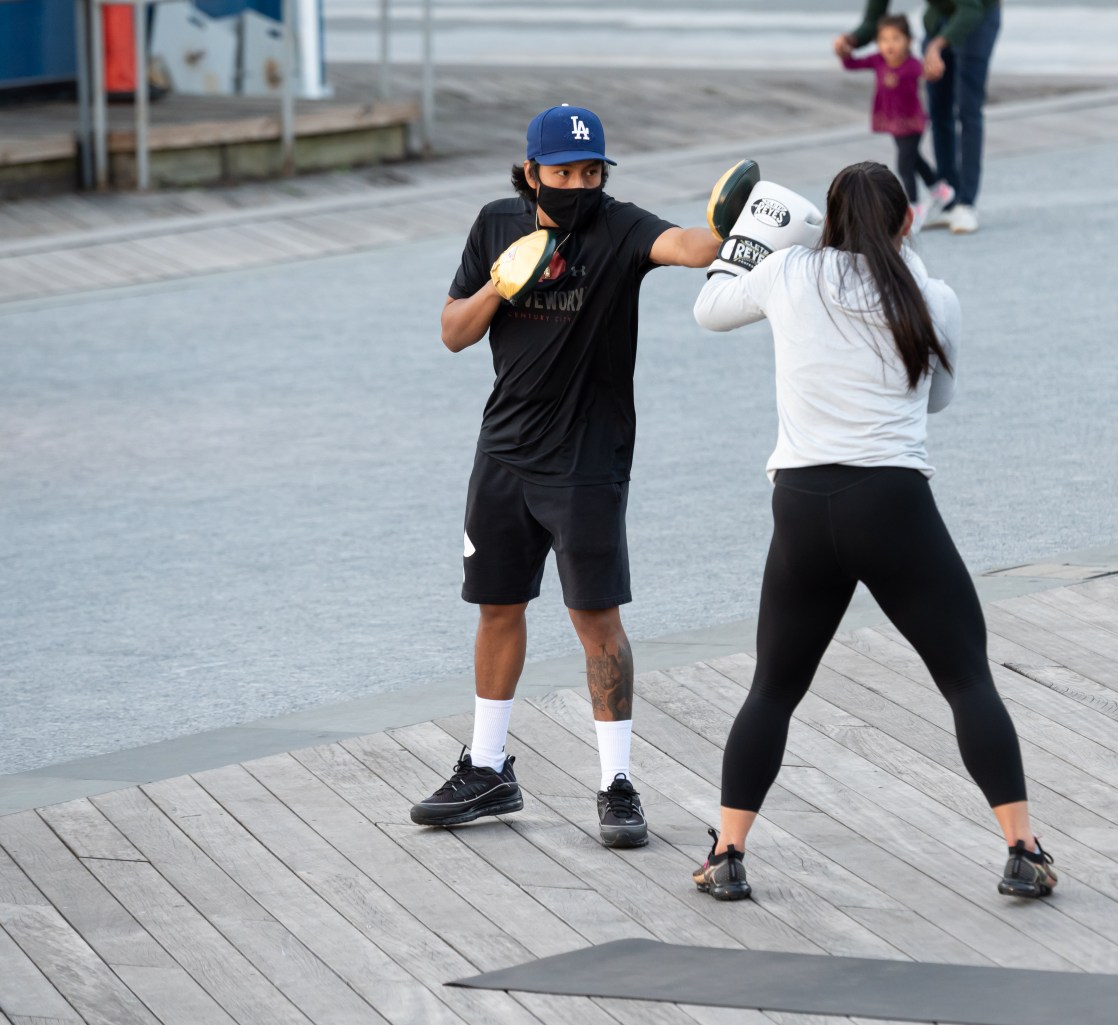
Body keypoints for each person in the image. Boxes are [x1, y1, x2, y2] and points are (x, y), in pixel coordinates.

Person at [690, 161, 1058, 900]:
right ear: (907, 221)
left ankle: (727, 854)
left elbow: (710, 310)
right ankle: (1022, 849)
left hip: (802, 505)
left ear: (829, 221)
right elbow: (937, 400)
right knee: (966, 678)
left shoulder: (789, 273)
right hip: (892, 505)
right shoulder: (931, 294)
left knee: (773, 689)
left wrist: (755, 239)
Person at [409, 104, 721, 849]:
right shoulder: (496, 224)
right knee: (497, 606)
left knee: (596, 620)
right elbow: (453, 332)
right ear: (531, 172)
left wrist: (732, 224)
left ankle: (618, 783)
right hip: (504, 455)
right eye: (564, 172)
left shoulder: (617, 227)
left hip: (586, 463)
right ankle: (488, 769)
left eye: (591, 172)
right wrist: (502, 285)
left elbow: (687, 246)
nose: (579, 184)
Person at [835, 0, 1001, 234]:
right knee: (939, 111)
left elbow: (970, 8)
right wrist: (850, 41)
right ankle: (948, 200)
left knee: (968, 110)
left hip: (977, 17)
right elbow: (874, 19)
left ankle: (966, 203)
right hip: (939, 19)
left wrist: (937, 45)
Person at [838, 13, 952, 231]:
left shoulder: (912, 65)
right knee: (914, 158)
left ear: (908, 41)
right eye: (884, 39)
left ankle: (915, 208)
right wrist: (843, 52)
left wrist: (935, 71)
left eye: (896, 38)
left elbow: (929, 72)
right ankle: (940, 190)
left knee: (904, 165)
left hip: (912, 123)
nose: (889, 44)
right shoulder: (878, 60)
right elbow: (851, 64)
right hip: (893, 122)